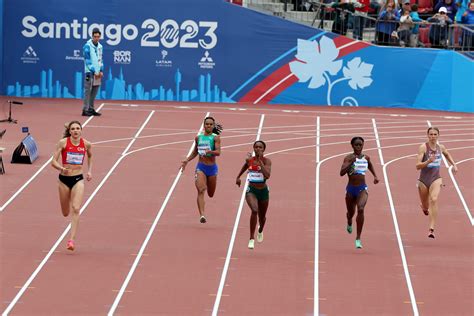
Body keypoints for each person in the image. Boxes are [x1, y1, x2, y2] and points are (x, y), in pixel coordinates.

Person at [51, 121, 93, 251]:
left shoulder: (86, 144)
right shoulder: (63, 143)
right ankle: (67, 200)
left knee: (76, 208)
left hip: (78, 179)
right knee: (65, 212)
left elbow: (90, 157)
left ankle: (71, 240)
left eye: (78, 128)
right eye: (73, 129)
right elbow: (53, 161)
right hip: (64, 180)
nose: (75, 131)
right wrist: (61, 168)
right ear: (70, 131)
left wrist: (89, 170)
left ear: (81, 130)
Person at [416, 127, 457, 239]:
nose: (433, 136)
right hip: (423, 180)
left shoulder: (441, 147)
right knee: (426, 206)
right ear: (427, 135)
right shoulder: (423, 147)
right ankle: (424, 208)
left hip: (436, 178)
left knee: (434, 199)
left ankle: (431, 229)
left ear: (438, 135)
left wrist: (454, 164)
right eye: (431, 134)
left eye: (435, 134)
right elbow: (417, 166)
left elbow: (447, 154)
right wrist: (428, 161)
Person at [340, 137, 379, 249]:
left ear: (363, 145)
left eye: (360, 145)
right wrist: (350, 163)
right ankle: (349, 220)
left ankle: (358, 238)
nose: (358, 147)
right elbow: (341, 173)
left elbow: (370, 164)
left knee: (361, 209)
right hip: (351, 189)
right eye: (356, 145)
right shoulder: (348, 158)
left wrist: (375, 176)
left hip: (362, 189)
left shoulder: (366, 157)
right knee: (351, 213)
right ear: (352, 146)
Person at [181, 117, 222, 223]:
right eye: (206, 124)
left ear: (213, 126)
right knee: (200, 190)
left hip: (212, 168)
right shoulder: (198, 138)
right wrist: (187, 160)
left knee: (211, 194)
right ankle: (202, 215)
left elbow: (218, 152)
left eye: (210, 124)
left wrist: (211, 151)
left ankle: (208, 183)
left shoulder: (215, 138)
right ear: (204, 125)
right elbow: (195, 152)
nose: (208, 126)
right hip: (201, 167)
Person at [235, 141, 272, 250]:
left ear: (263, 149)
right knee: (254, 210)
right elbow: (245, 166)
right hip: (252, 190)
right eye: (256, 147)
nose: (258, 149)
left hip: (263, 190)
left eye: (260, 147)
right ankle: (251, 238)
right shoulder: (249, 160)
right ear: (254, 149)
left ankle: (260, 230)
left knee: (262, 217)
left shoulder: (267, 161)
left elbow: (268, 175)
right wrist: (238, 177)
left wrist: (260, 163)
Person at [82, 27, 103, 117]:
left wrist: (101, 70)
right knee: (88, 91)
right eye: (95, 36)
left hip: (98, 73)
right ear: (92, 36)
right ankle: (85, 110)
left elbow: (100, 59)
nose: (96, 38)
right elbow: (87, 60)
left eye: (98, 37)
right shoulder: (87, 46)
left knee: (94, 91)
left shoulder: (100, 47)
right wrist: (94, 71)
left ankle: (91, 108)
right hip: (89, 72)